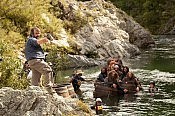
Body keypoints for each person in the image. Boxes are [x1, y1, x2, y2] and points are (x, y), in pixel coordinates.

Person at [25, 27, 54, 92]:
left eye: (39, 33)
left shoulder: (31, 41)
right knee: (47, 70)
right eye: (36, 33)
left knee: (36, 78)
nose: (38, 34)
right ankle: (49, 90)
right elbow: (39, 41)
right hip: (36, 60)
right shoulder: (31, 39)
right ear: (32, 33)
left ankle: (34, 91)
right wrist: (47, 38)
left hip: (32, 61)